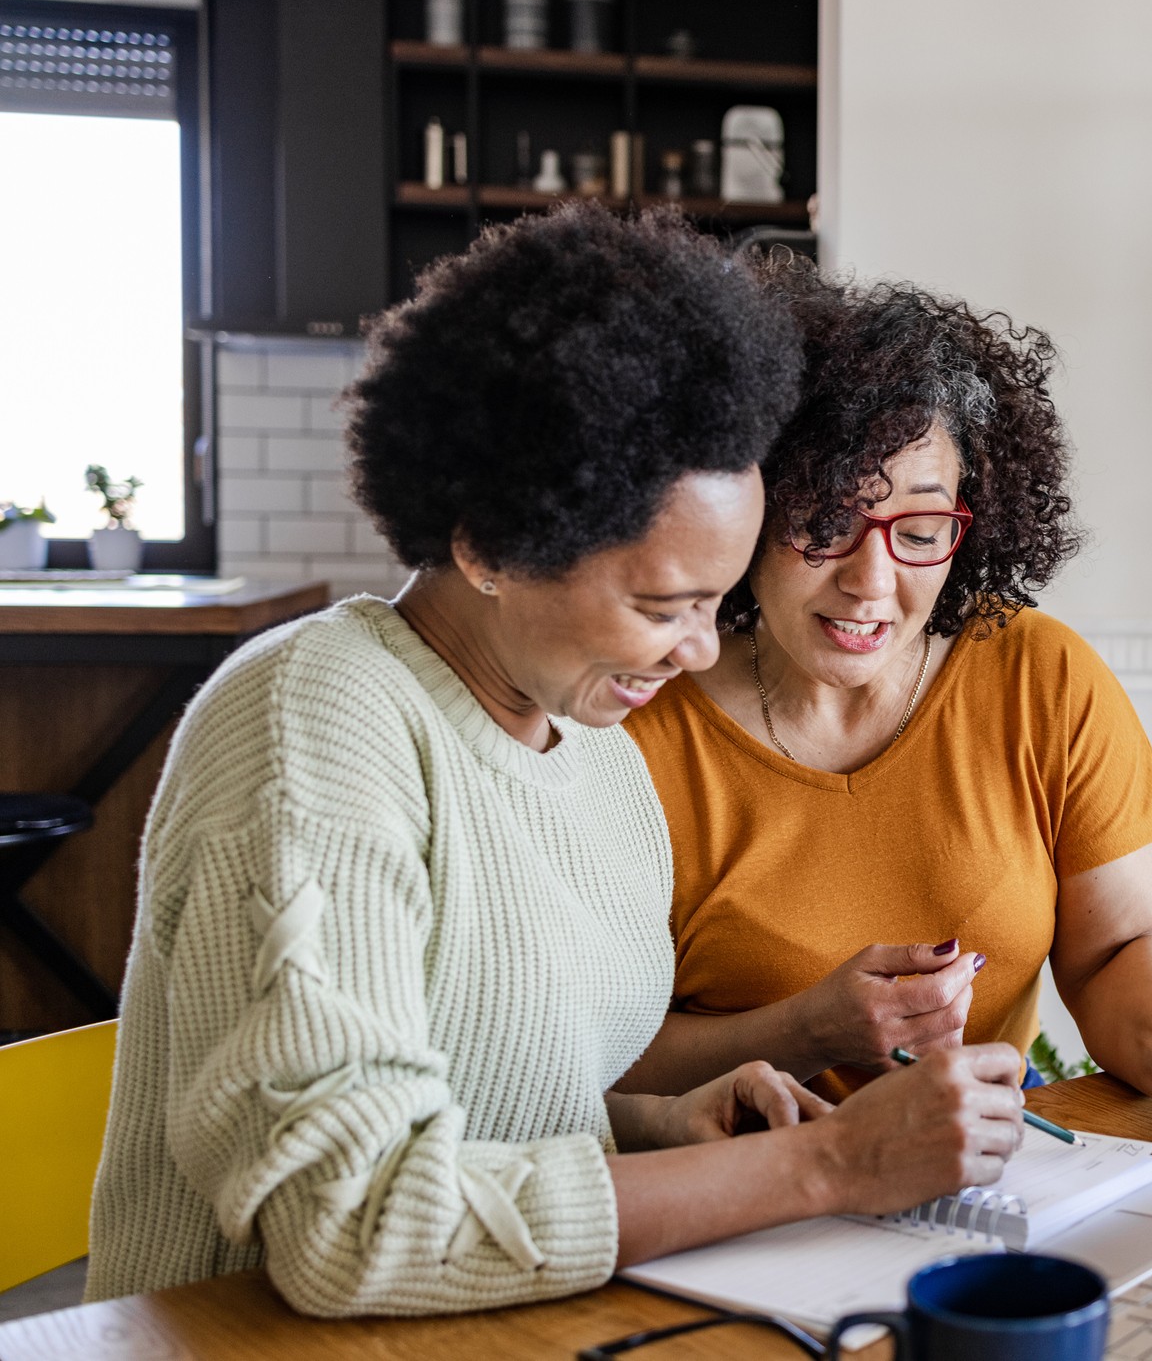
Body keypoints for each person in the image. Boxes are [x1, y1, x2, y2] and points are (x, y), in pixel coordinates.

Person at [85, 208, 1026, 1318]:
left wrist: (664, 1129)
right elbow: (355, 1223)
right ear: (489, 542)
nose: (697, 650)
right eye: (661, 605)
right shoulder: (313, 721)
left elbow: (495, 1099)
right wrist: (824, 1167)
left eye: (714, 604)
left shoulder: (593, 754)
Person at [620, 264, 1152, 1138]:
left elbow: (1118, 948)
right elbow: (578, 1052)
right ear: (750, 509)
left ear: (970, 523)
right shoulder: (638, 725)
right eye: (824, 526)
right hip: (739, 1196)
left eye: (919, 533)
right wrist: (806, 1031)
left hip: (985, 1180)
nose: (871, 583)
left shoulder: (1040, 680)